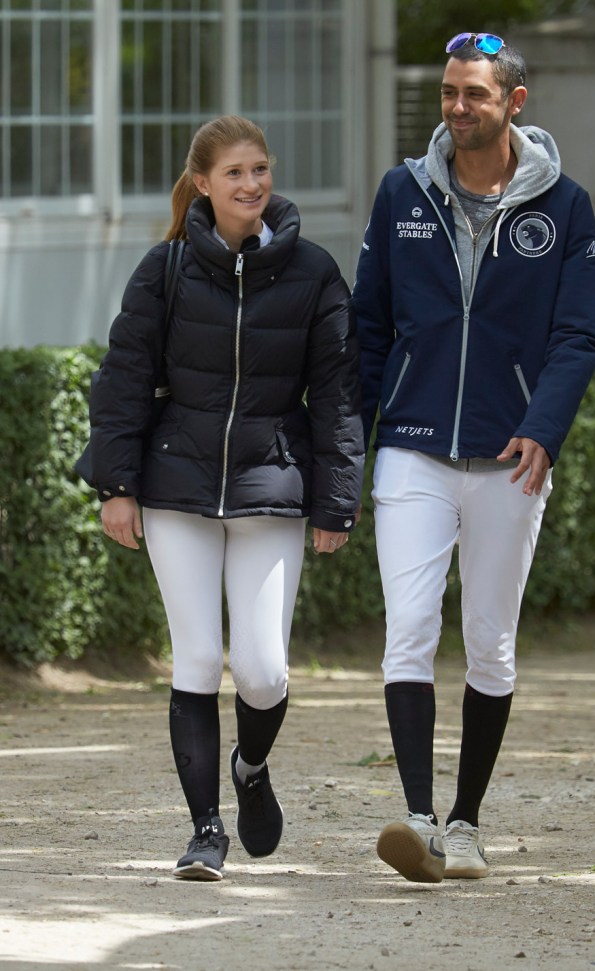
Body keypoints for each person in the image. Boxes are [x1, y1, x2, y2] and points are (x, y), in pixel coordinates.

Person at [80, 115, 364, 881]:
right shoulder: (164, 268)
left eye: (261, 169)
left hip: (270, 485)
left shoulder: (313, 272)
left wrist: (338, 500)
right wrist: (116, 484)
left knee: (265, 670)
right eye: (235, 172)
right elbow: (123, 380)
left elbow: (338, 396)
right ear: (202, 183)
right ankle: (205, 829)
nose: (252, 184)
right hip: (177, 487)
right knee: (200, 655)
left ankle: (250, 765)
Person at [352, 32, 595, 883]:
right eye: (451, 93)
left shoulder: (565, 206)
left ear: (514, 103)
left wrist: (545, 424)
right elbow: (367, 330)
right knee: (410, 630)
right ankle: (418, 818)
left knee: (491, 644)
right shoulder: (401, 192)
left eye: (476, 95)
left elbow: (578, 335)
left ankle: (466, 822)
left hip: (509, 455)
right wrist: (354, 443)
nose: (458, 108)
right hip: (413, 447)